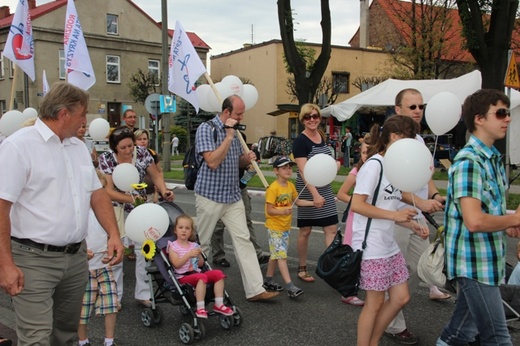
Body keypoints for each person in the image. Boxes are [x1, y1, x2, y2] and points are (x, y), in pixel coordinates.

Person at [0, 82, 124, 345]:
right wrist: (5, 264)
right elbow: (1, 207)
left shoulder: (77, 147)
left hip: (76, 258)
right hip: (32, 260)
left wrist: (113, 233)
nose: (85, 121)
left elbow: (96, 193)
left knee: (65, 335)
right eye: (82, 114)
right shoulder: (18, 147)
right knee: (37, 338)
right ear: (63, 114)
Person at [437, 89, 520, 346]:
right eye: (500, 113)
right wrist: (514, 220)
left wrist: (505, 222)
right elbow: (474, 221)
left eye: (507, 113)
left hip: (487, 261)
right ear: (479, 119)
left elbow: (487, 211)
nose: (507, 119)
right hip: (474, 265)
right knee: (497, 337)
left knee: (460, 332)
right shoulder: (469, 162)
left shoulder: (492, 159)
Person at [351, 115, 429, 346]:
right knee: (374, 303)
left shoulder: (393, 167)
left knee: (401, 296)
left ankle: (373, 340)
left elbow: (390, 200)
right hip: (371, 245)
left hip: (387, 243)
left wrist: (410, 223)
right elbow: (357, 204)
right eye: (410, 139)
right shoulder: (374, 165)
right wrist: (396, 215)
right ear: (394, 137)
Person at [194, 95, 279, 302]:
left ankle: (255, 289)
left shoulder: (237, 132)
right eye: (238, 114)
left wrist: (246, 159)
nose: (241, 118)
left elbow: (236, 162)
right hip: (210, 195)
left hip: (232, 196)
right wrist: (229, 136)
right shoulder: (207, 129)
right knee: (203, 243)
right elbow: (212, 162)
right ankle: (198, 287)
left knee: (244, 241)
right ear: (226, 112)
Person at [385, 88, 450, 345]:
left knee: (420, 267)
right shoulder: (392, 142)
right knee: (397, 270)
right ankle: (392, 322)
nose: (417, 111)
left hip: (418, 213)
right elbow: (392, 185)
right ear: (398, 109)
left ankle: (390, 308)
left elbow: (426, 174)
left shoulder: (420, 141)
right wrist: (420, 201)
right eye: (411, 107)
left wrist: (433, 195)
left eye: (421, 106)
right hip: (397, 216)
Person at [98, 126, 174, 308]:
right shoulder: (106, 159)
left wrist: (164, 191)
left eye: (130, 146)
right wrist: (131, 198)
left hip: (139, 206)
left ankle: (143, 293)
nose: (128, 150)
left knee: (144, 249)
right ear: (115, 148)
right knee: (117, 249)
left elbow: (156, 175)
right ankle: (115, 296)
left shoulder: (142, 153)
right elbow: (108, 191)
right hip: (115, 205)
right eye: (122, 148)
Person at [292, 103, 339, 283]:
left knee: (331, 228)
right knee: (305, 230)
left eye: (315, 116)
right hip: (307, 189)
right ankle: (302, 268)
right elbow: (304, 172)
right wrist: (315, 195)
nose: (312, 120)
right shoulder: (300, 141)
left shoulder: (321, 136)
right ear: (303, 120)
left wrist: (334, 167)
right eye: (308, 117)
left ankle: (332, 268)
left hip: (324, 187)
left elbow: (324, 162)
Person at [211, 133, 270, 268]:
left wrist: (250, 162)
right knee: (218, 224)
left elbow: (243, 160)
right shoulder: (217, 134)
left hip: (239, 186)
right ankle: (218, 256)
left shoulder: (240, 135)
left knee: (246, 221)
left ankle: (256, 254)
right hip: (221, 187)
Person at [78, 170, 119, 346]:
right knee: (82, 310)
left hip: (104, 267)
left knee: (111, 304)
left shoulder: (106, 213)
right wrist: (82, 251)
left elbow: (112, 235)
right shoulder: (79, 213)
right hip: (84, 270)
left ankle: (109, 341)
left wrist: (112, 248)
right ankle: (83, 341)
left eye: (103, 188)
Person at [263, 156, 314, 298]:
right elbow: (269, 210)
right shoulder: (273, 188)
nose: (288, 170)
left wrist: (313, 203)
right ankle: (290, 286)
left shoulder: (290, 186)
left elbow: (297, 202)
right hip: (274, 227)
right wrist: (282, 211)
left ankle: (268, 280)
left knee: (275, 254)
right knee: (281, 256)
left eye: (289, 167)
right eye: (284, 167)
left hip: (285, 227)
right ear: (276, 171)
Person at [168, 214, 234, 318]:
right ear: (175, 230)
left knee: (218, 274)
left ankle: (219, 304)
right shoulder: (173, 246)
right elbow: (176, 264)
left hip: (196, 273)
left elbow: (200, 264)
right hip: (183, 277)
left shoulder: (194, 245)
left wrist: (198, 255)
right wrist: (188, 255)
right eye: (180, 228)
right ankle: (200, 308)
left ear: (191, 231)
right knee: (202, 277)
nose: (184, 230)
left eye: (187, 228)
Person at [336, 134, 370, 307]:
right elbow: (341, 193)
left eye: (371, 152)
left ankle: (365, 285)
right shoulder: (356, 172)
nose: (367, 155)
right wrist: (358, 203)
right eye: (364, 152)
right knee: (354, 253)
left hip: (372, 218)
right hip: (357, 217)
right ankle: (348, 292)